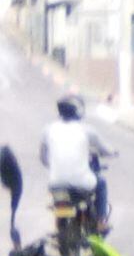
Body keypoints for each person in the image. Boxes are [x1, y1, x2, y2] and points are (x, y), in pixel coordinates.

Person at [39, 95, 116, 232]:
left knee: (59, 202)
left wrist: (56, 164)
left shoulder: (48, 130)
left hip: (55, 182)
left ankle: (61, 229)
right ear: (79, 111)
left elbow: (44, 159)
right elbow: (105, 150)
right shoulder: (87, 130)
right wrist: (113, 152)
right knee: (101, 183)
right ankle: (101, 221)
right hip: (82, 182)